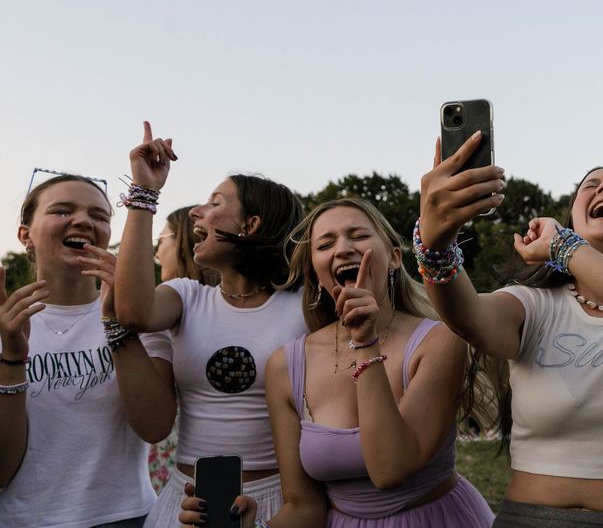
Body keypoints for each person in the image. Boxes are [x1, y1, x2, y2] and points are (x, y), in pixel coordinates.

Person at [417, 133, 603, 528]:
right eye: (591, 185)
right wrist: (435, 244)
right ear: (572, 222)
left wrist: (567, 249)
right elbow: (469, 318)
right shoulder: (533, 303)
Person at [181, 197, 494, 526]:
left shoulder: (438, 340)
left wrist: (365, 342)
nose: (342, 249)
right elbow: (304, 506)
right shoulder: (287, 365)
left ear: (394, 258)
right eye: (326, 244)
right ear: (315, 271)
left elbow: (390, 470)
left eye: (358, 236)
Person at [114, 122, 309, 526]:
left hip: (277, 501)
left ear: (250, 226)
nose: (196, 213)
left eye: (215, 202)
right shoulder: (186, 297)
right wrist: (144, 192)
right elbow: (133, 312)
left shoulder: (304, 306)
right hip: (185, 501)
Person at [0, 174, 168, 527]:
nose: (83, 221)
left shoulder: (139, 315)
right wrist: (12, 360)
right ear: (25, 235)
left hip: (127, 516)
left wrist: (117, 325)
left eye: (100, 216)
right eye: (62, 211)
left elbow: (154, 427)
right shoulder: (8, 326)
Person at [147, 205, 219, 492]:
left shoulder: (156, 314)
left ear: (183, 242)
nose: (156, 254)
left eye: (161, 240)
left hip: (179, 467)